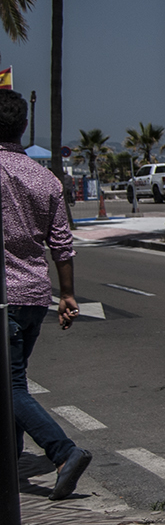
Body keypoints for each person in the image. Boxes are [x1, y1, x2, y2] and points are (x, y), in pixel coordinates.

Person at [0, 89, 91, 500]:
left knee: (11, 385)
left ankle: (63, 451)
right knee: (14, 377)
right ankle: (14, 457)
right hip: (36, 294)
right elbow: (62, 243)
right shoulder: (45, 178)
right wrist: (67, 294)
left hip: (4, 295)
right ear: (23, 127)